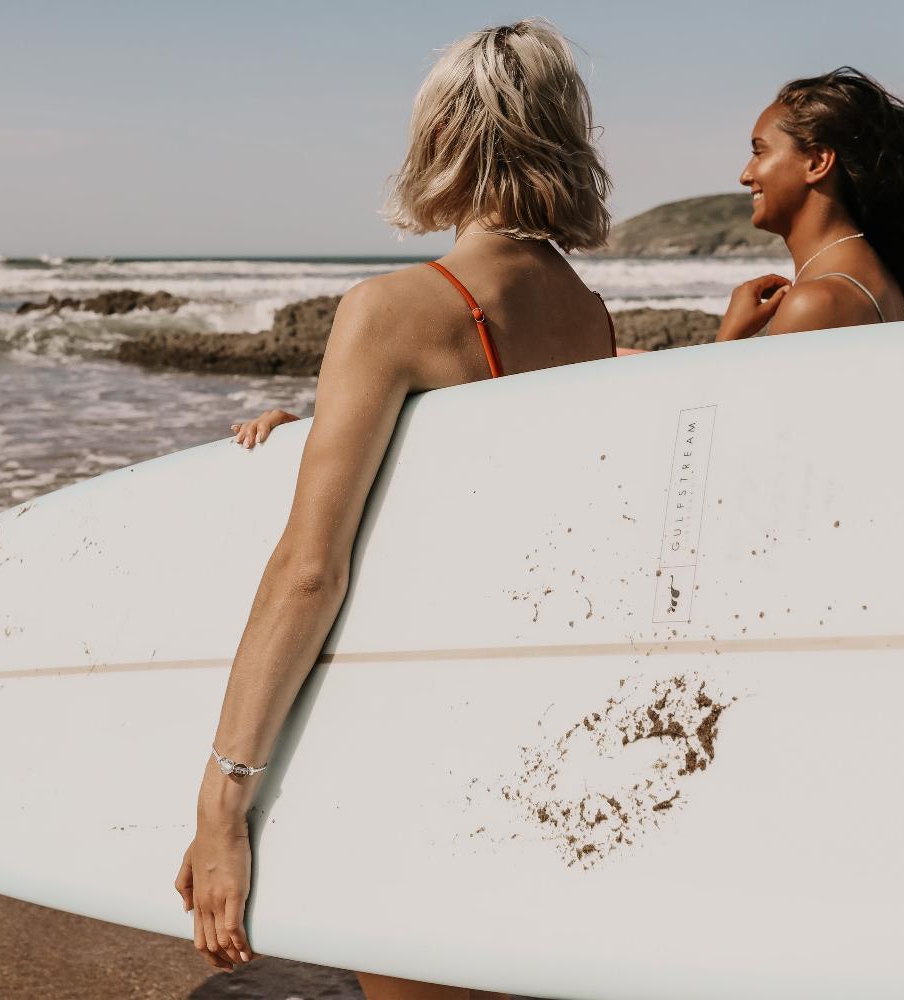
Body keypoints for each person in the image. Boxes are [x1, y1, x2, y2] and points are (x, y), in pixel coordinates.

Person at [173, 19, 619, 1000]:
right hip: (539, 727)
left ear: (445, 139)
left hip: (420, 734)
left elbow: (310, 566)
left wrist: (223, 797)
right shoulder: (588, 315)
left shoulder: (394, 308)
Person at [716, 67, 904, 342]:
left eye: (759, 152)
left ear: (816, 162)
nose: (745, 175)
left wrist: (729, 338)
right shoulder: (869, 275)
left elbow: (727, 387)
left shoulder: (815, 302)